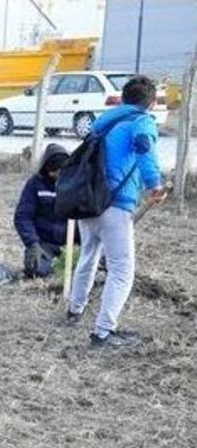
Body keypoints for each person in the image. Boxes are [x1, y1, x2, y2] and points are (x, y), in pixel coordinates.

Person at [67, 75, 168, 348]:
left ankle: (74, 310)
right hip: (116, 203)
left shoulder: (103, 123)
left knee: (88, 256)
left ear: (123, 97)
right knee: (122, 269)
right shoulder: (141, 121)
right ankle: (103, 332)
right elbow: (145, 147)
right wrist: (154, 184)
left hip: (88, 201)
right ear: (151, 103)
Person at [13, 143, 79, 278]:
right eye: (54, 171)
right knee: (36, 270)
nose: (57, 174)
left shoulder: (77, 184)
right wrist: (32, 243)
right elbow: (23, 216)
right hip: (44, 243)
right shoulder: (35, 184)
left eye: (61, 170)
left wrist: (81, 243)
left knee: (83, 271)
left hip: (73, 244)